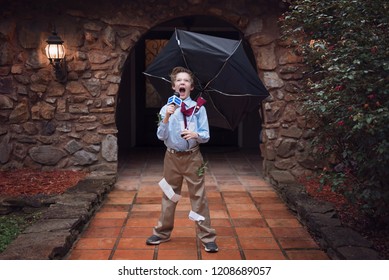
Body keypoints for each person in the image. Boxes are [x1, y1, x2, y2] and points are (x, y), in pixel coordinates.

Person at [146, 66, 218, 253]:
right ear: (173, 86)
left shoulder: (198, 109)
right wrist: (167, 116)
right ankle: (162, 232)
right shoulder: (165, 109)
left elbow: (206, 135)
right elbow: (160, 135)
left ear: (191, 87)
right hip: (171, 158)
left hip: (193, 157)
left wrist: (195, 134)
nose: (182, 83)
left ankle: (207, 237)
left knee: (198, 196)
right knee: (169, 195)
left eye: (186, 80)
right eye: (179, 80)